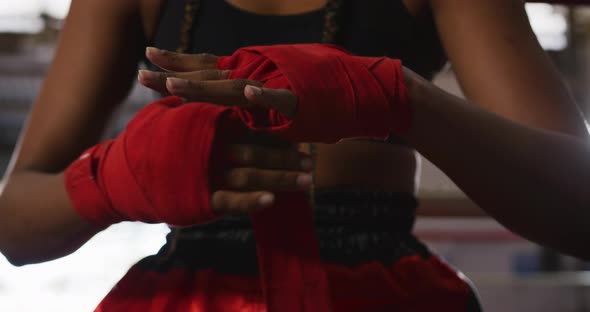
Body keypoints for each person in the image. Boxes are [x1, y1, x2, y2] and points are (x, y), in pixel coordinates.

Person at [0, 0, 585, 310]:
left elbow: (581, 207)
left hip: (386, 295)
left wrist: (402, 98)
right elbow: (15, 228)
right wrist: (112, 179)